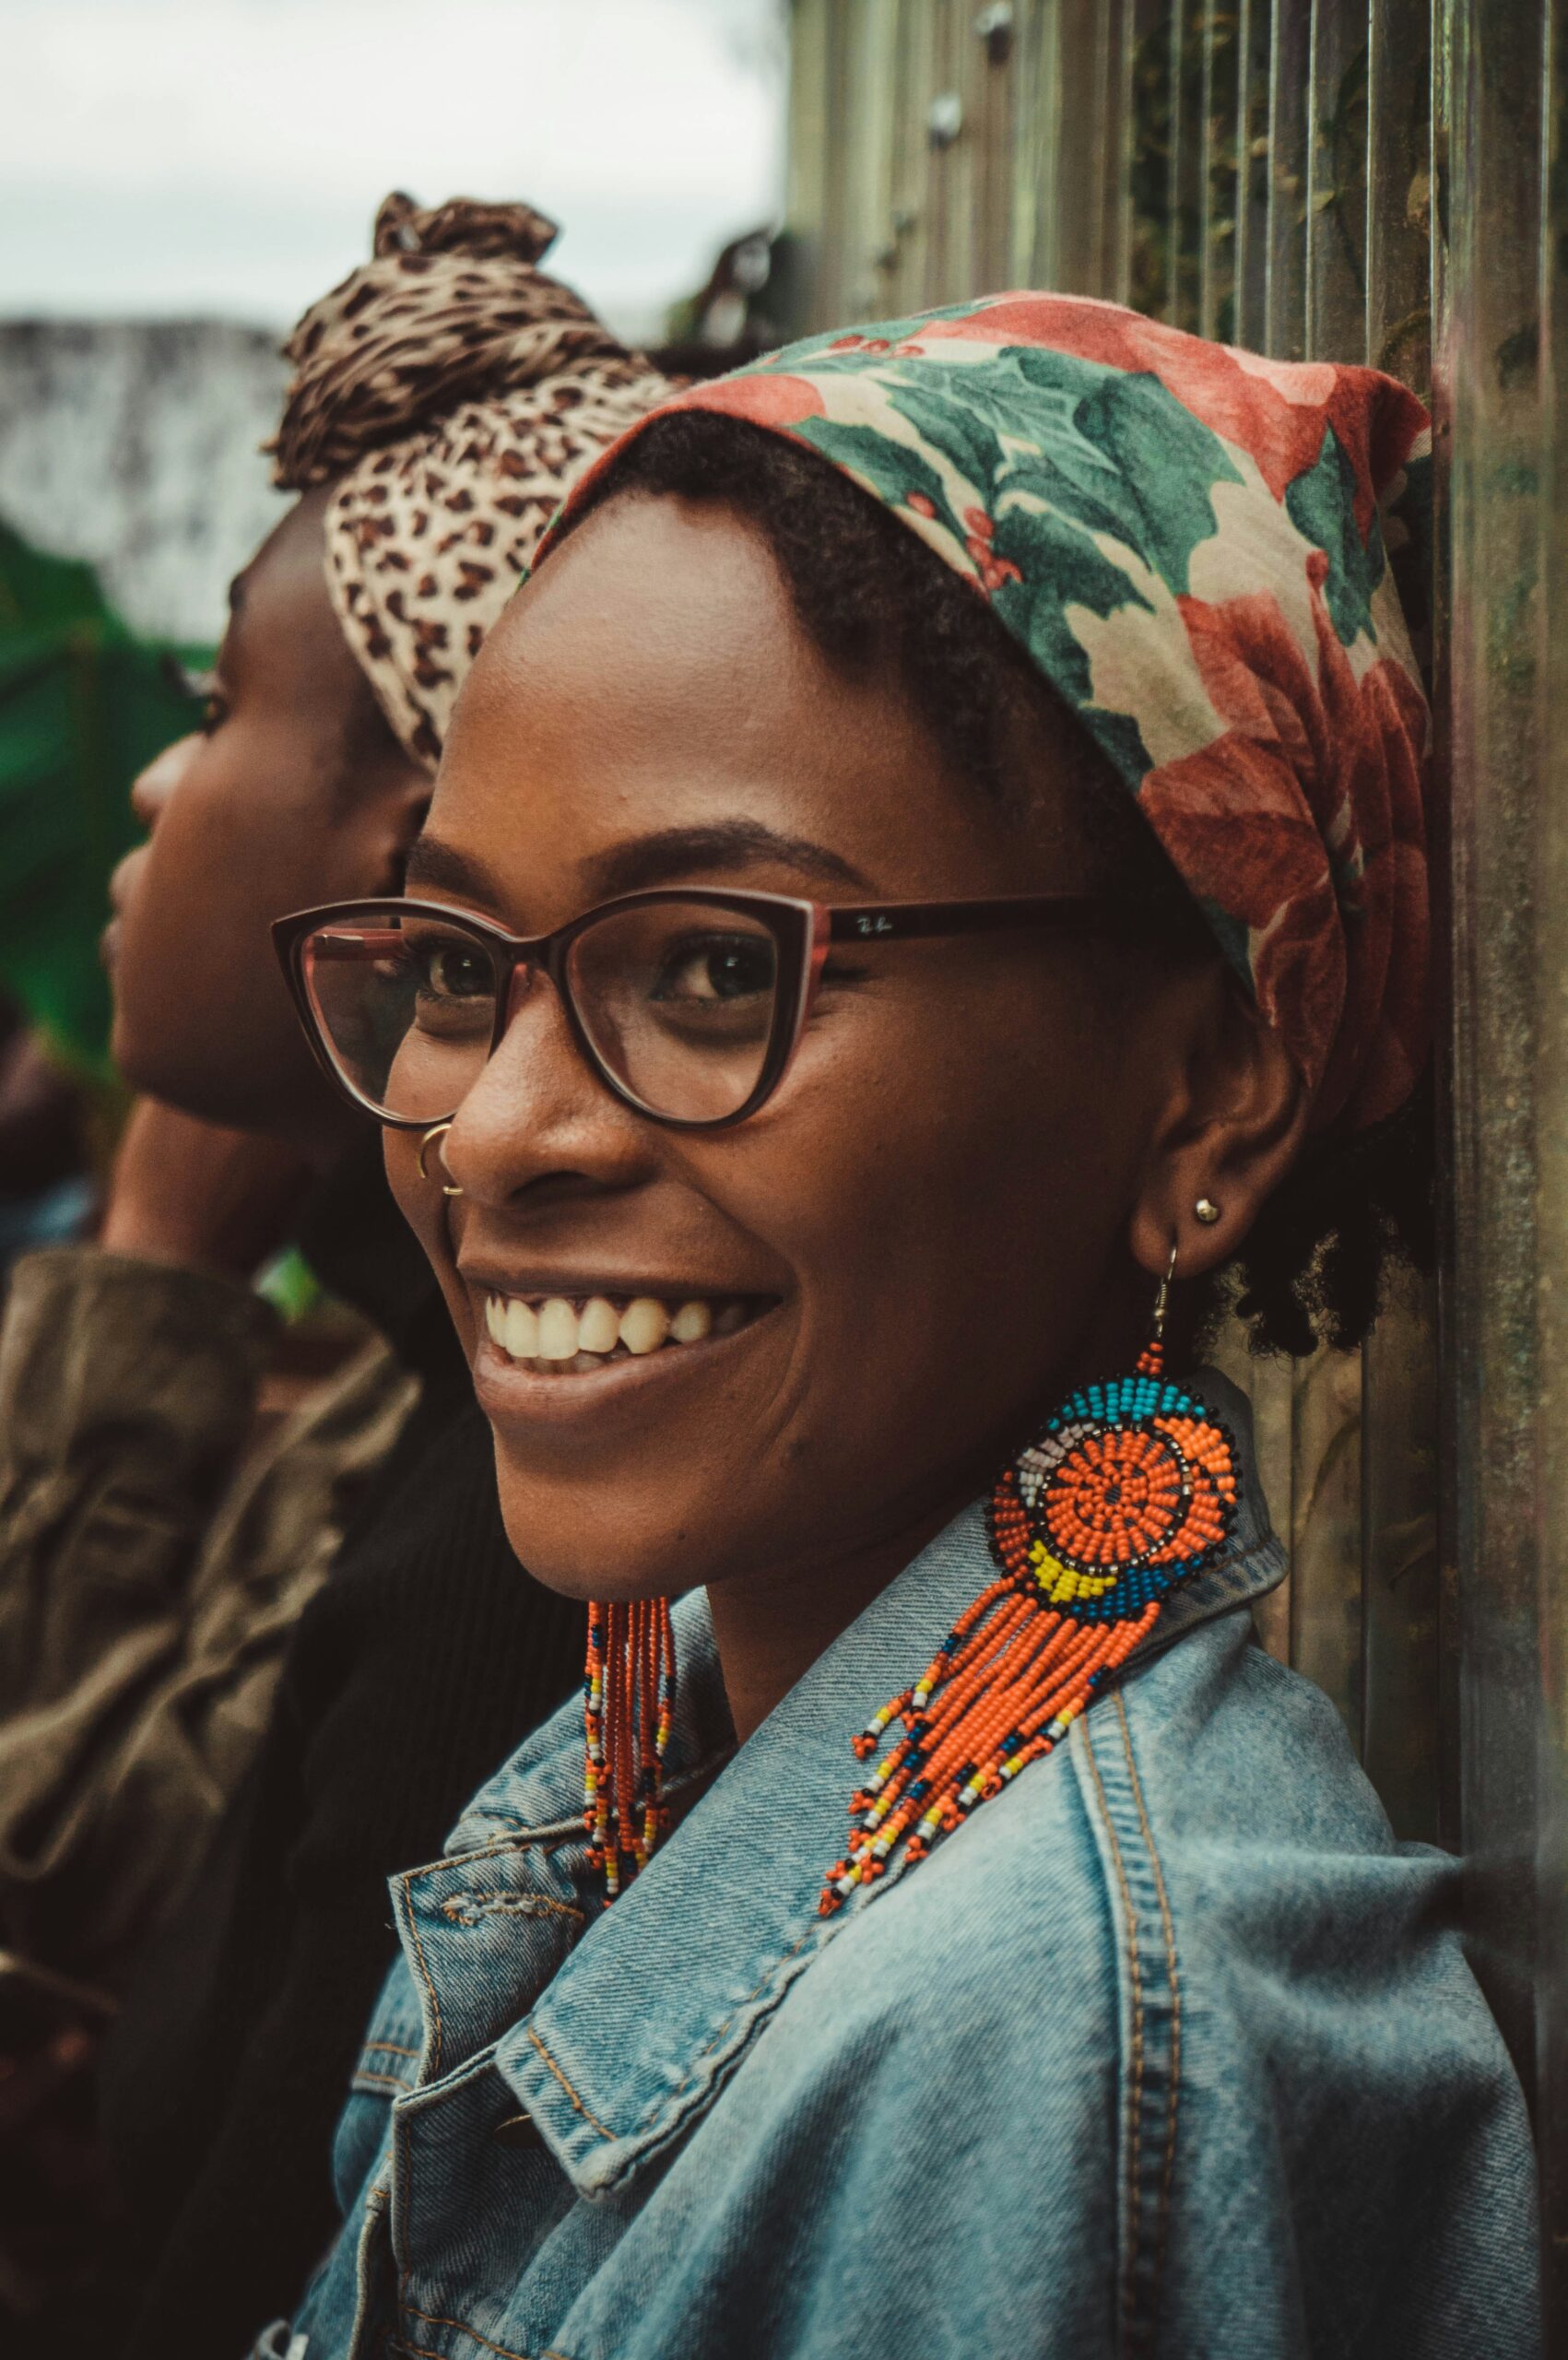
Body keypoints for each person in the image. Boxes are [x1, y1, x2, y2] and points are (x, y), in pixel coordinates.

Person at [275, 296, 1537, 2359]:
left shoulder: (1043, 2047)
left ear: (1205, 1082)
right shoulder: (689, 1723)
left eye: (703, 969)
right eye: (454, 962)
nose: (489, 1128)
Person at [4, 194, 672, 2353]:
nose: (153, 769)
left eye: (216, 701)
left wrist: (156, 1275)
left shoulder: (536, 1507)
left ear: (412, 872)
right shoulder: (424, 1378)